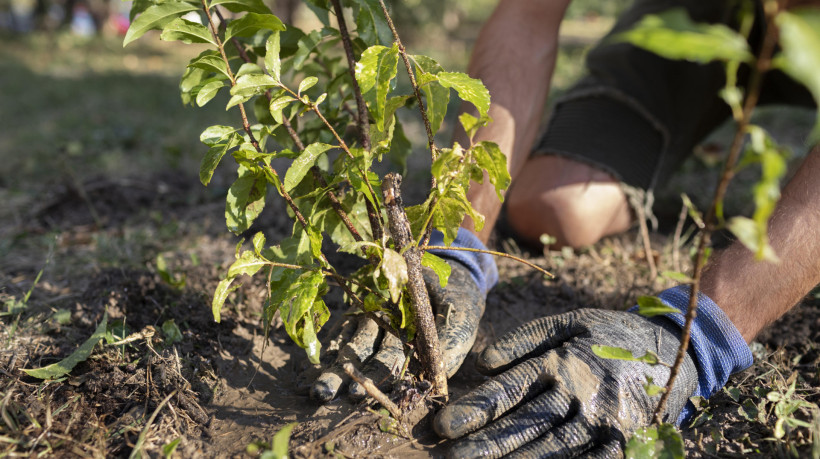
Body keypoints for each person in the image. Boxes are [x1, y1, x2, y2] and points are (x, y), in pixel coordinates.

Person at [309, 1, 819, 457]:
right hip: (700, 15)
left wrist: (700, 335)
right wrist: (457, 239)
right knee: (555, 208)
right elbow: (526, 18)